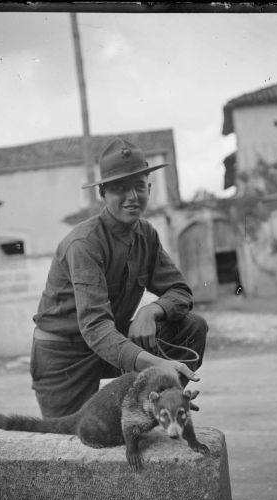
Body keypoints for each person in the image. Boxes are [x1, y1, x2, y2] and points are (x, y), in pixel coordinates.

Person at [31, 137, 208, 418]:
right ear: (103, 192)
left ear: (149, 188)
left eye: (139, 186)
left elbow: (180, 290)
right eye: (120, 188)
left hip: (113, 341)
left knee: (191, 326)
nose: (132, 196)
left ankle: (159, 407)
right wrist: (155, 363)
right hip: (65, 356)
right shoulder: (85, 243)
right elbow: (95, 326)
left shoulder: (146, 234)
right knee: (72, 442)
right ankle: (146, 398)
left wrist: (152, 310)